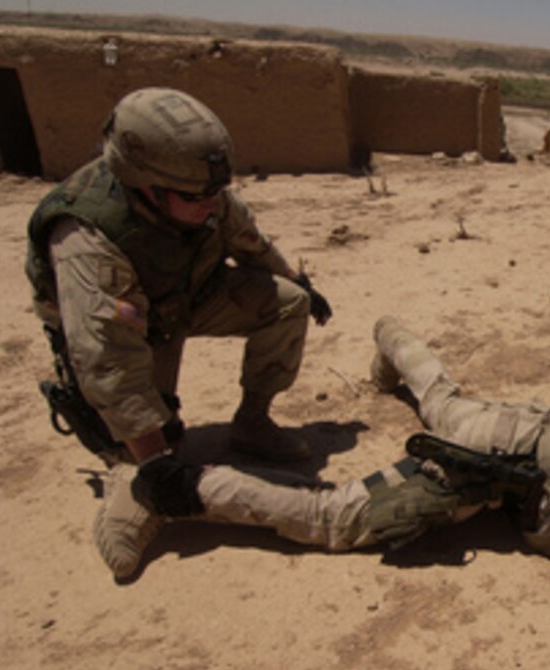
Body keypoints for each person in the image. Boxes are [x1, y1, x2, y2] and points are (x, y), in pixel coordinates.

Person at [94, 317, 550, 645]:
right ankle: (164, 485)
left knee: (443, 401)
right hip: (510, 461)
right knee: (334, 519)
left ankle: (392, 336)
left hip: (530, 441)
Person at [26, 87, 332, 465]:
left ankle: (253, 423)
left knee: (289, 303)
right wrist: (156, 467)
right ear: (144, 185)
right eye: (194, 197)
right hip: (134, 325)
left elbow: (250, 242)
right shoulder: (87, 239)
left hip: (187, 294)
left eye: (217, 191)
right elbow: (107, 358)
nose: (210, 203)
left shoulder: (197, 190)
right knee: (145, 451)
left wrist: (298, 282)